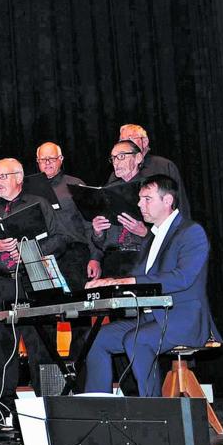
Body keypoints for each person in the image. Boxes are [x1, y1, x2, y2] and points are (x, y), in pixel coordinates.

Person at [84, 175, 220, 396]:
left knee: (136, 340)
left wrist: (131, 281)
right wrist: (108, 283)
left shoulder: (191, 232)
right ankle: (99, 409)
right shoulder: (153, 237)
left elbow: (181, 277)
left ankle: (154, 412)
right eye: (140, 199)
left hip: (184, 320)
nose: (139, 204)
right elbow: (136, 276)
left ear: (167, 201)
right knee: (97, 338)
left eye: (147, 199)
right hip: (152, 318)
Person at [0, 158, 64, 426]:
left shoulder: (38, 204)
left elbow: (60, 239)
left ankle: (49, 408)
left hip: (33, 281)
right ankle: (3, 410)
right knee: (1, 350)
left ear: (19, 178)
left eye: (4, 176)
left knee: (42, 349)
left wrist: (31, 250)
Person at [34, 142, 99, 362]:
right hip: (43, 257)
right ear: (37, 162)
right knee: (45, 317)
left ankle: (77, 371)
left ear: (61, 160)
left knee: (80, 316)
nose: (48, 163)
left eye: (52, 158)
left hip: (75, 256)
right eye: (43, 159)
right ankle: (51, 372)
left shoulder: (75, 185)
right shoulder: (29, 189)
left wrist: (94, 256)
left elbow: (90, 223)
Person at [91, 141, 150, 277]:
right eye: (113, 158)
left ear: (138, 158)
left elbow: (169, 231)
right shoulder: (108, 190)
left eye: (122, 156)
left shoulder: (152, 188)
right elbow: (100, 242)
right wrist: (98, 232)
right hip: (113, 261)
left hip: (142, 258)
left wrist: (145, 232)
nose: (116, 162)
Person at [109, 124, 190, 217]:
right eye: (122, 140)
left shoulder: (163, 166)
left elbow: (180, 204)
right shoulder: (116, 174)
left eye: (130, 138)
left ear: (145, 141)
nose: (125, 143)